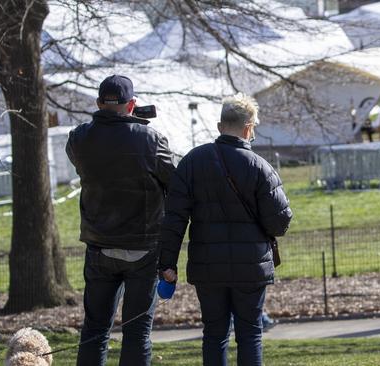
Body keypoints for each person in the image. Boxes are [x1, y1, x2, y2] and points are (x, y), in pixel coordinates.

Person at [159, 93, 292, 366]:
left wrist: (167, 264)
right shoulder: (261, 168)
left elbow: (174, 219)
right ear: (249, 128)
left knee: (214, 334)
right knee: (250, 334)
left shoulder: (192, 162)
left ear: (220, 126)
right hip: (250, 266)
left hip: (208, 267)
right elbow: (280, 222)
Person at [66, 75, 175, 366]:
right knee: (137, 332)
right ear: (132, 104)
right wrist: (136, 125)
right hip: (143, 247)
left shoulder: (79, 138)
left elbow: (86, 156)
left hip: (99, 245)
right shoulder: (150, 140)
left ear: (99, 103)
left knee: (95, 330)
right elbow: (173, 182)